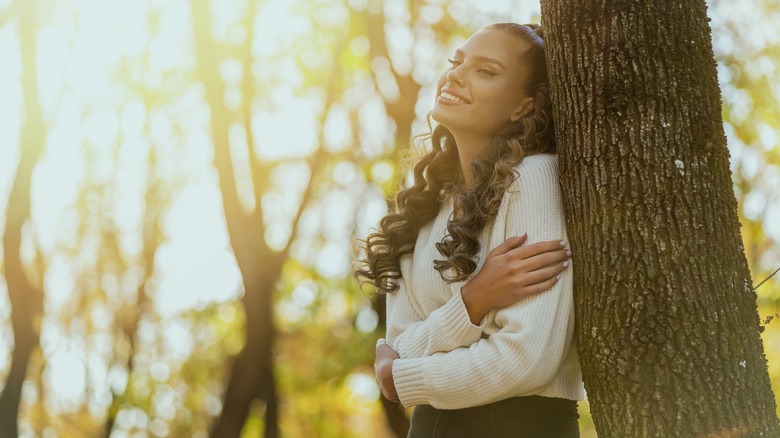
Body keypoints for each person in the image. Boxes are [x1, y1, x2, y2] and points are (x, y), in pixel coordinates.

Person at [354, 22, 586, 437]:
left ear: (523, 106)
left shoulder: (531, 180)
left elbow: (527, 358)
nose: (456, 74)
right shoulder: (421, 206)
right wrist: (474, 301)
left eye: (486, 70)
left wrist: (405, 378)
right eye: (456, 62)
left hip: (518, 427)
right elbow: (398, 345)